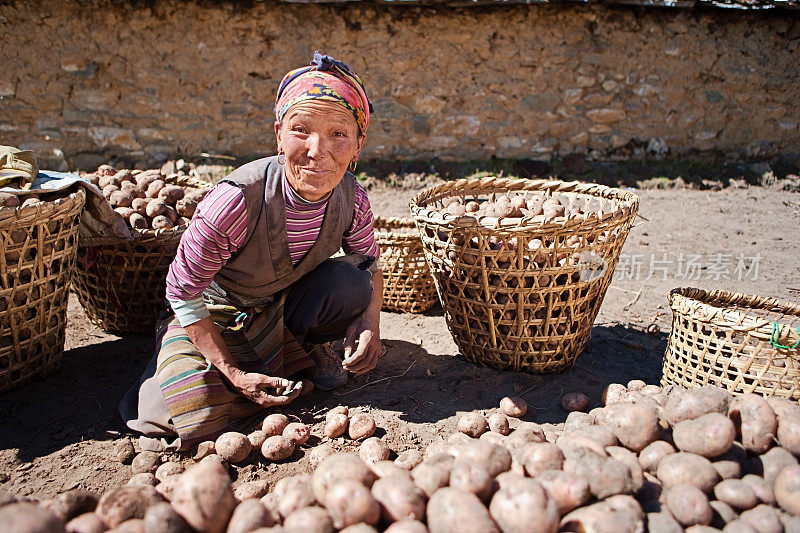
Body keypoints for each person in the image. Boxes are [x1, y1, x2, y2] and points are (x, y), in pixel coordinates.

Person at [120, 52, 384, 451]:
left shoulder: (353, 199)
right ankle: (274, 368)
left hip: (282, 309)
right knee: (171, 409)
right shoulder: (237, 200)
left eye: (338, 134)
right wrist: (233, 373)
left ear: (358, 145)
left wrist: (370, 324)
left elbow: (371, 265)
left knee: (350, 281)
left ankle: (300, 353)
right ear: (278, 134)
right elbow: (183, 293)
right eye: (301, 130)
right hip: (216, 316)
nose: (317, 150)